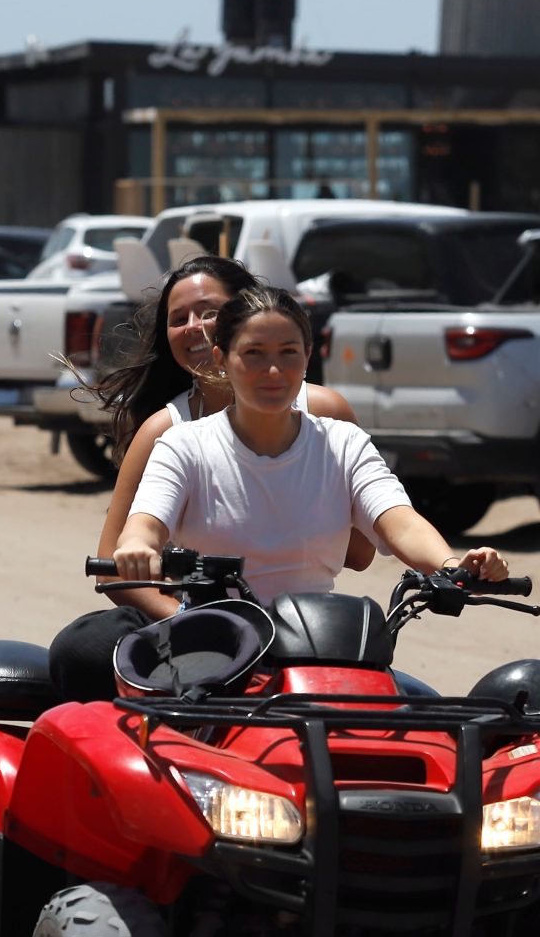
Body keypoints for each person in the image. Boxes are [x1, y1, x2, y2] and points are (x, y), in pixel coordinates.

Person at [46, 256, 369, 697]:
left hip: (306, 628)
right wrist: (198, 625)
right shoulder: (167, 432)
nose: (195, 327)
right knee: (83, 648)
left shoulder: (327, 417)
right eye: (179, 319)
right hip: (198, 627)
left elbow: (361, 549)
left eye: (210, 312)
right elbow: (116, 563)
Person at [110, 283, 505, 599]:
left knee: (410, 699)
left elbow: (399, 523)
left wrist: (452, 565)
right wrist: (138, 548)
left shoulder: (343, 443)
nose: (273, 370)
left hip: (319, 642)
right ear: (221, 358)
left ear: (308, 356)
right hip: (212, 645)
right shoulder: (182, 445)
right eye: (253, 353)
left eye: (288, 353)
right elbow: (145, 524)